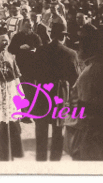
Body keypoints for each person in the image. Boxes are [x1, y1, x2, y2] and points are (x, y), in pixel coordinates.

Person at [64, 32, 103, 160]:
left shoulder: (90, 72)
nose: (78, 51)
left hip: (92, 133)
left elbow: (84, 104)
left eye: (80, 48)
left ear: (88, 51)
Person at [33, 23, 78, 161]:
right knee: (58, 130)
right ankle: (55, 162)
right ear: (63, 36)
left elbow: (33, 72)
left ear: (51, 35)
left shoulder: (40, 51)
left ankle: (40, 161)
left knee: (41, 130)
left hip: (42, 93)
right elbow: (76, 78)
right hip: (60, 93)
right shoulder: (70, 53)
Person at [8, 18, 42, 122]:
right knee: (22, 90)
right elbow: (10, 49)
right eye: (27, 26)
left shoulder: (35, 36)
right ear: (22, 26)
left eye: (31, 26)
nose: (29, 28)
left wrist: (33, 49)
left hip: (32, 68)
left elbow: (41, 49)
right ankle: (24, 113)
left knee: (32, 90)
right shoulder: (17, 36)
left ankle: (32, 112)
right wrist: (20, 48)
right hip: (21, 67)